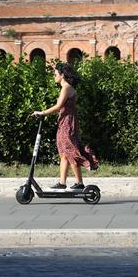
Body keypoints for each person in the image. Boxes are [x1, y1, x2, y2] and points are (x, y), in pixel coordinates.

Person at [32, 62, 98, 190]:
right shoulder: (66, 88)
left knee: (70, 151)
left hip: (67, 123)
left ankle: (79, 182)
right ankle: (62, 182)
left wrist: (42, 112)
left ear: (62, 75)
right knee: (64, 153)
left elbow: (58, 107)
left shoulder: (66, 88)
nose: (54, 76)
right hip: (64, 123)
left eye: (55, 74)